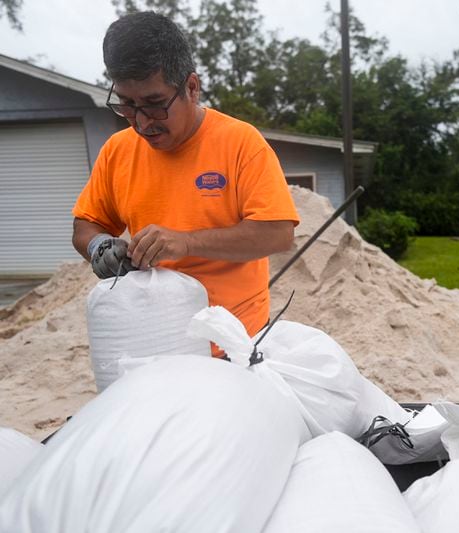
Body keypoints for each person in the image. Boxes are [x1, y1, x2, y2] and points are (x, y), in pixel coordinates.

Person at [72, 11, 299, 348]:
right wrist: (99, 246)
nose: (141, 122)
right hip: (156, 341)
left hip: (236, 344)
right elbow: (85, 226)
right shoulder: (117, 151)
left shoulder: (240, 143)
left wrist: (187, 242)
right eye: (126, 104)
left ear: (191, 87)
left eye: (154, 104)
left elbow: (279, 234)